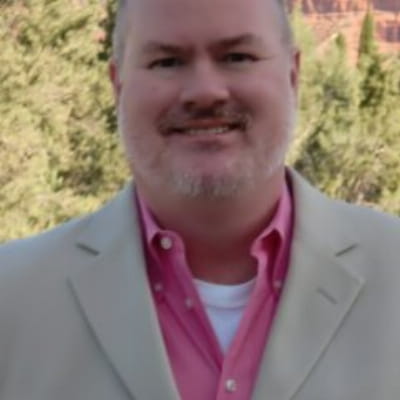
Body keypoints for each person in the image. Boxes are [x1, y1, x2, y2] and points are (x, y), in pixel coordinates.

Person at [0, 0, 399, 399]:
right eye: (167, 62)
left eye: (237, 57)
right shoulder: (13, 299)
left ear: (293, 76)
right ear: (117, 86)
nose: (205, 92)